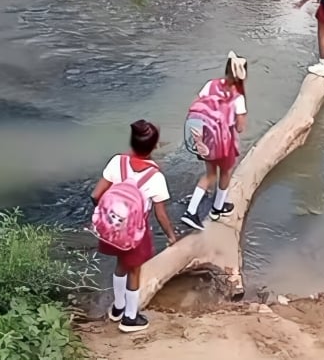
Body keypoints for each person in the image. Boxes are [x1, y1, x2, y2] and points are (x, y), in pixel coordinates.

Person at [90, 120, 176, 333]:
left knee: (120, 264)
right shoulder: (155, 177)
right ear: (154, 146)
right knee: (135, 270)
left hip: (113, 225)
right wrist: (171, 236)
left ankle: (117, 307)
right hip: (135, 231)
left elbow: (96, 195)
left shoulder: (117, 162)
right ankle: (130, 317)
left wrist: (107, 217)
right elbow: (160, 214)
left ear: (132, 141)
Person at [180, 52, 248, 231]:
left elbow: (196, 106)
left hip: (205, 139)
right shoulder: (238, 97)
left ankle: (191, 211)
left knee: (209, 175)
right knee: (225, 173)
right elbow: (240, 127)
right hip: (225, 144)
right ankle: (217, 208)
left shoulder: (210, 85)